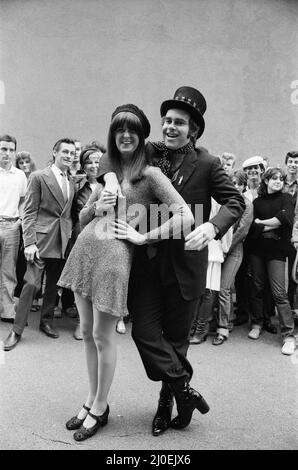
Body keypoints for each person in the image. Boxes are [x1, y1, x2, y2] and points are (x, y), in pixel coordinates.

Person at [98, 87, 245, 435]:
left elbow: (235, 202)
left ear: (193, 130)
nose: (170, 127)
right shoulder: (149, 152)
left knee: (177, 342)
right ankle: (185, 389)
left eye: (179, 122)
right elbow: (111, 152)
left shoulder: (208, 164)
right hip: (147, 262)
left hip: (186, 267)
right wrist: (107, 178)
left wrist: (212, 226)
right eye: (167, 120)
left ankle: (167, 403)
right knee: (145, 333)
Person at [58, 104, 194, 442]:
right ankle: (91, 400)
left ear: (143, 136)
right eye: (120, 129)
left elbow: (186, 216)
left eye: (132, 129)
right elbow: (84, 220)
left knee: (104, 338)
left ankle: (101, 407)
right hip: (85, 253)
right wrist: (96, 206)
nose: (126, 135)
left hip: (114, 261)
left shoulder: (151, 176)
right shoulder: (107, 172)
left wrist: (143, 235)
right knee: (87, 334)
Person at [3, 138, 76, 351]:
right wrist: (29, 243)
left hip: (61, 240)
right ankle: (16, 330)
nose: (69, 156)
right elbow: (28, 212)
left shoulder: (71, 180)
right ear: (54, 152)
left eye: (72, 153)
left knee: (54, 284)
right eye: (65, 152)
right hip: (40, 241)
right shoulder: (38, 176)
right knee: (32, 284)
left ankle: (46, 321)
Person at [246, 167, 295, 355]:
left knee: (279, 293)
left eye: (281, 179)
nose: (278, 181)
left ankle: (288, 336)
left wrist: (261, 224)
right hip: (257, 251)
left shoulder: (287, 199)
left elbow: (284, 219)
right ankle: (257, 323)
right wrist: (268, 224)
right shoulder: (257, 202)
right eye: (274, 178)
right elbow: (251, 228)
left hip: (277, 251)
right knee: (257, 287)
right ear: (266, 181)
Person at [212, 170, 253, 344]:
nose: (235, 186)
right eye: (233, 183)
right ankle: (214, 322)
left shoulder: (247, 204)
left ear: (244, 186)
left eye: (239, 183)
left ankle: (223, 327)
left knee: (224, 288)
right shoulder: (225, 200)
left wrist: (225, 248)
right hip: (218, 248)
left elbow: (241, 231)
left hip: (233, 250)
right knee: (212, 288)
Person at [70, 144, 104, 340]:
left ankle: (101, 321)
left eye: (97, 161)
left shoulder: (112, 185)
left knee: (100, 280)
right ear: (83, 166)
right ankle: (82, 321)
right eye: (89, 162)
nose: (93, 165)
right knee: (83, 280)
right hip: (83, 237)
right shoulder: (77, 187)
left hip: (105, 237)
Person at [0, 135, 27, 323]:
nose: (7, 153)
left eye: (11, 150)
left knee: (9, 271)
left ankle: (7, 311)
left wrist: (19, 221)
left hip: (11, 226)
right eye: (3, 149)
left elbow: (24, 200)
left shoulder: (20, 175)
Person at [283, 150, 298, 315]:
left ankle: (292, 312)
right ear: (287, 163)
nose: (293, 165)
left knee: (294, 275)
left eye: (296, 162)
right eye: (291, 162)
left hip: (294, 236)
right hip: (279, 233)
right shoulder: (280, 181)